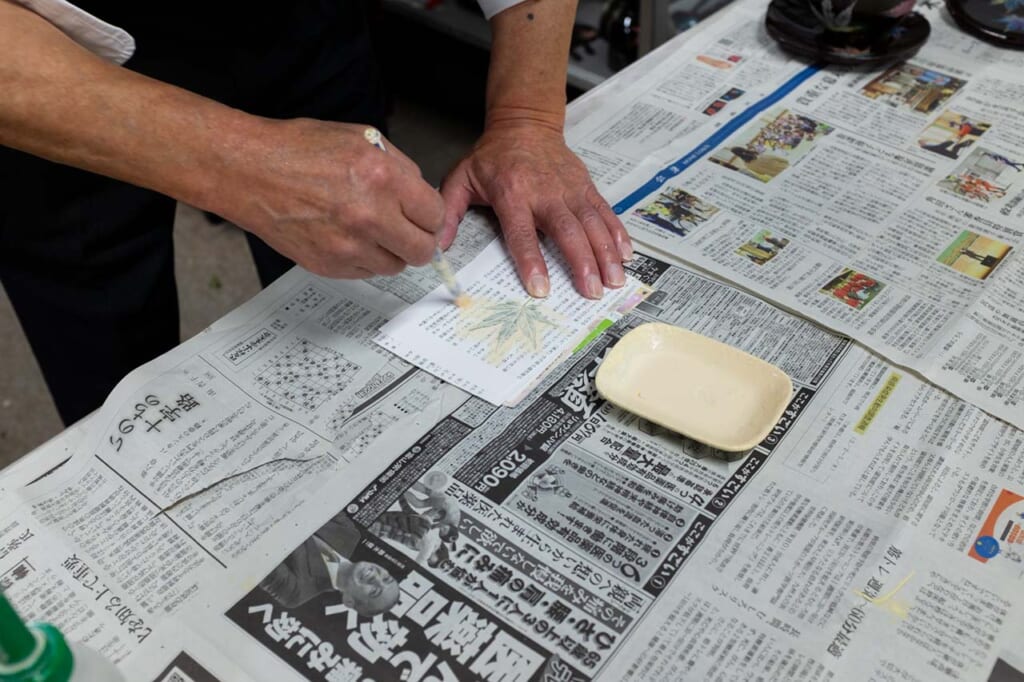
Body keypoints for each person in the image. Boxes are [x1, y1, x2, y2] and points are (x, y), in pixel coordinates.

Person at [0, 0, 634, 424]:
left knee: (355, 300)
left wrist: (527, 118)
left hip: (301, 24)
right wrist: (236, 160)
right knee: (112, 367)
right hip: (45, 59)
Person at [258, 513, 400, 616]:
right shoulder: (350, 534)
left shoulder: (296, 592)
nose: (376, 578)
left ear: (349, 601)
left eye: (374, 591)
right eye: (386, 579)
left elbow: (256, 549)